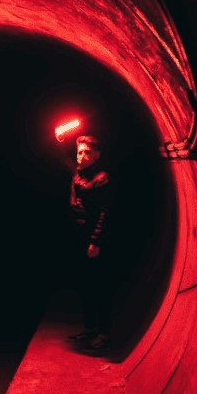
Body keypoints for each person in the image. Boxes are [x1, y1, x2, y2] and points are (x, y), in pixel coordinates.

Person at [67, 135, 116, 352]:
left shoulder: (102, 178)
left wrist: (96, 242)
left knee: (100, 287)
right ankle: (89, 328)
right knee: (85, 285)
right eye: (79, 152)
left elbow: (106, 212)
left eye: (87, 152)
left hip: (95, 241)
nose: (82, 156)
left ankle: (104, 335)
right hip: (80, 236)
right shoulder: (79, 174)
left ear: (97, 155)